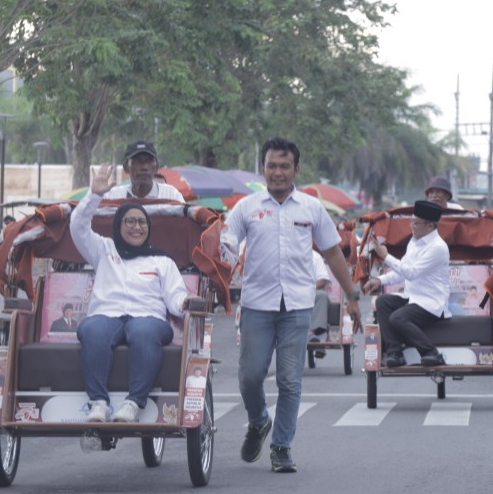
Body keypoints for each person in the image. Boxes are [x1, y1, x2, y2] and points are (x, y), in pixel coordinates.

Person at [224, 136, 361, 473]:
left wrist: (352, 296)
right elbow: (226, 243)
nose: (278, 172)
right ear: (263, 168)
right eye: (272, 166)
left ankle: (281, 447)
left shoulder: (311, 208)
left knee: (289, 380)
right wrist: (220, 254)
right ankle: (259, 421)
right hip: (256, 304)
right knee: (250, 377)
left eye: (284, 166)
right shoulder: (246, 207)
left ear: (296, 169)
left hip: (298, 306)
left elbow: (332, 252)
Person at [72, 164, 200, 423]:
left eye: (142, 222)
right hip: (106, 315)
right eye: (130, 221)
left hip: (148, 318)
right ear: (118, 225)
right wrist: (94, 195)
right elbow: (78, 227)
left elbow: (175, 296)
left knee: (143, 331)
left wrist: (185, 302)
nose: (136, 227)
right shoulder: (103, 250)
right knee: (93, 328)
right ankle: (98, 403)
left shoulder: (162, 260)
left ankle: (133, 403)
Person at [362, 200, 451, 367]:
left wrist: (386, 256)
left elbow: (411, 273)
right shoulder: (414, 241)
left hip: (431, 303)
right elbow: (402, 271)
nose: (412, 226)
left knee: (397, 317)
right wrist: (379, 280)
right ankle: (395, 353)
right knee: (382, 302)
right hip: (412, 298)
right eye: (411, 222)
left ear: (430, 226)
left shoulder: (438, 247)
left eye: (415, 223)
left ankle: (431, 353)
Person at [103, 140, 186, 203]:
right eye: (138, 161)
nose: (144, 167)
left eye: (149, 161)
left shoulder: (171, 195)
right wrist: (97, 194)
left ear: (156, 167)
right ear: (126, 167)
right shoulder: (114, 196)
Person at [308, 249, 331, 343]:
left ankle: (311, 333)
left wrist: (306, 289)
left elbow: (322, 280)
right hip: (290, 292)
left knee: (321, 295)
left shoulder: (315, 257)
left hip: (311, 291)